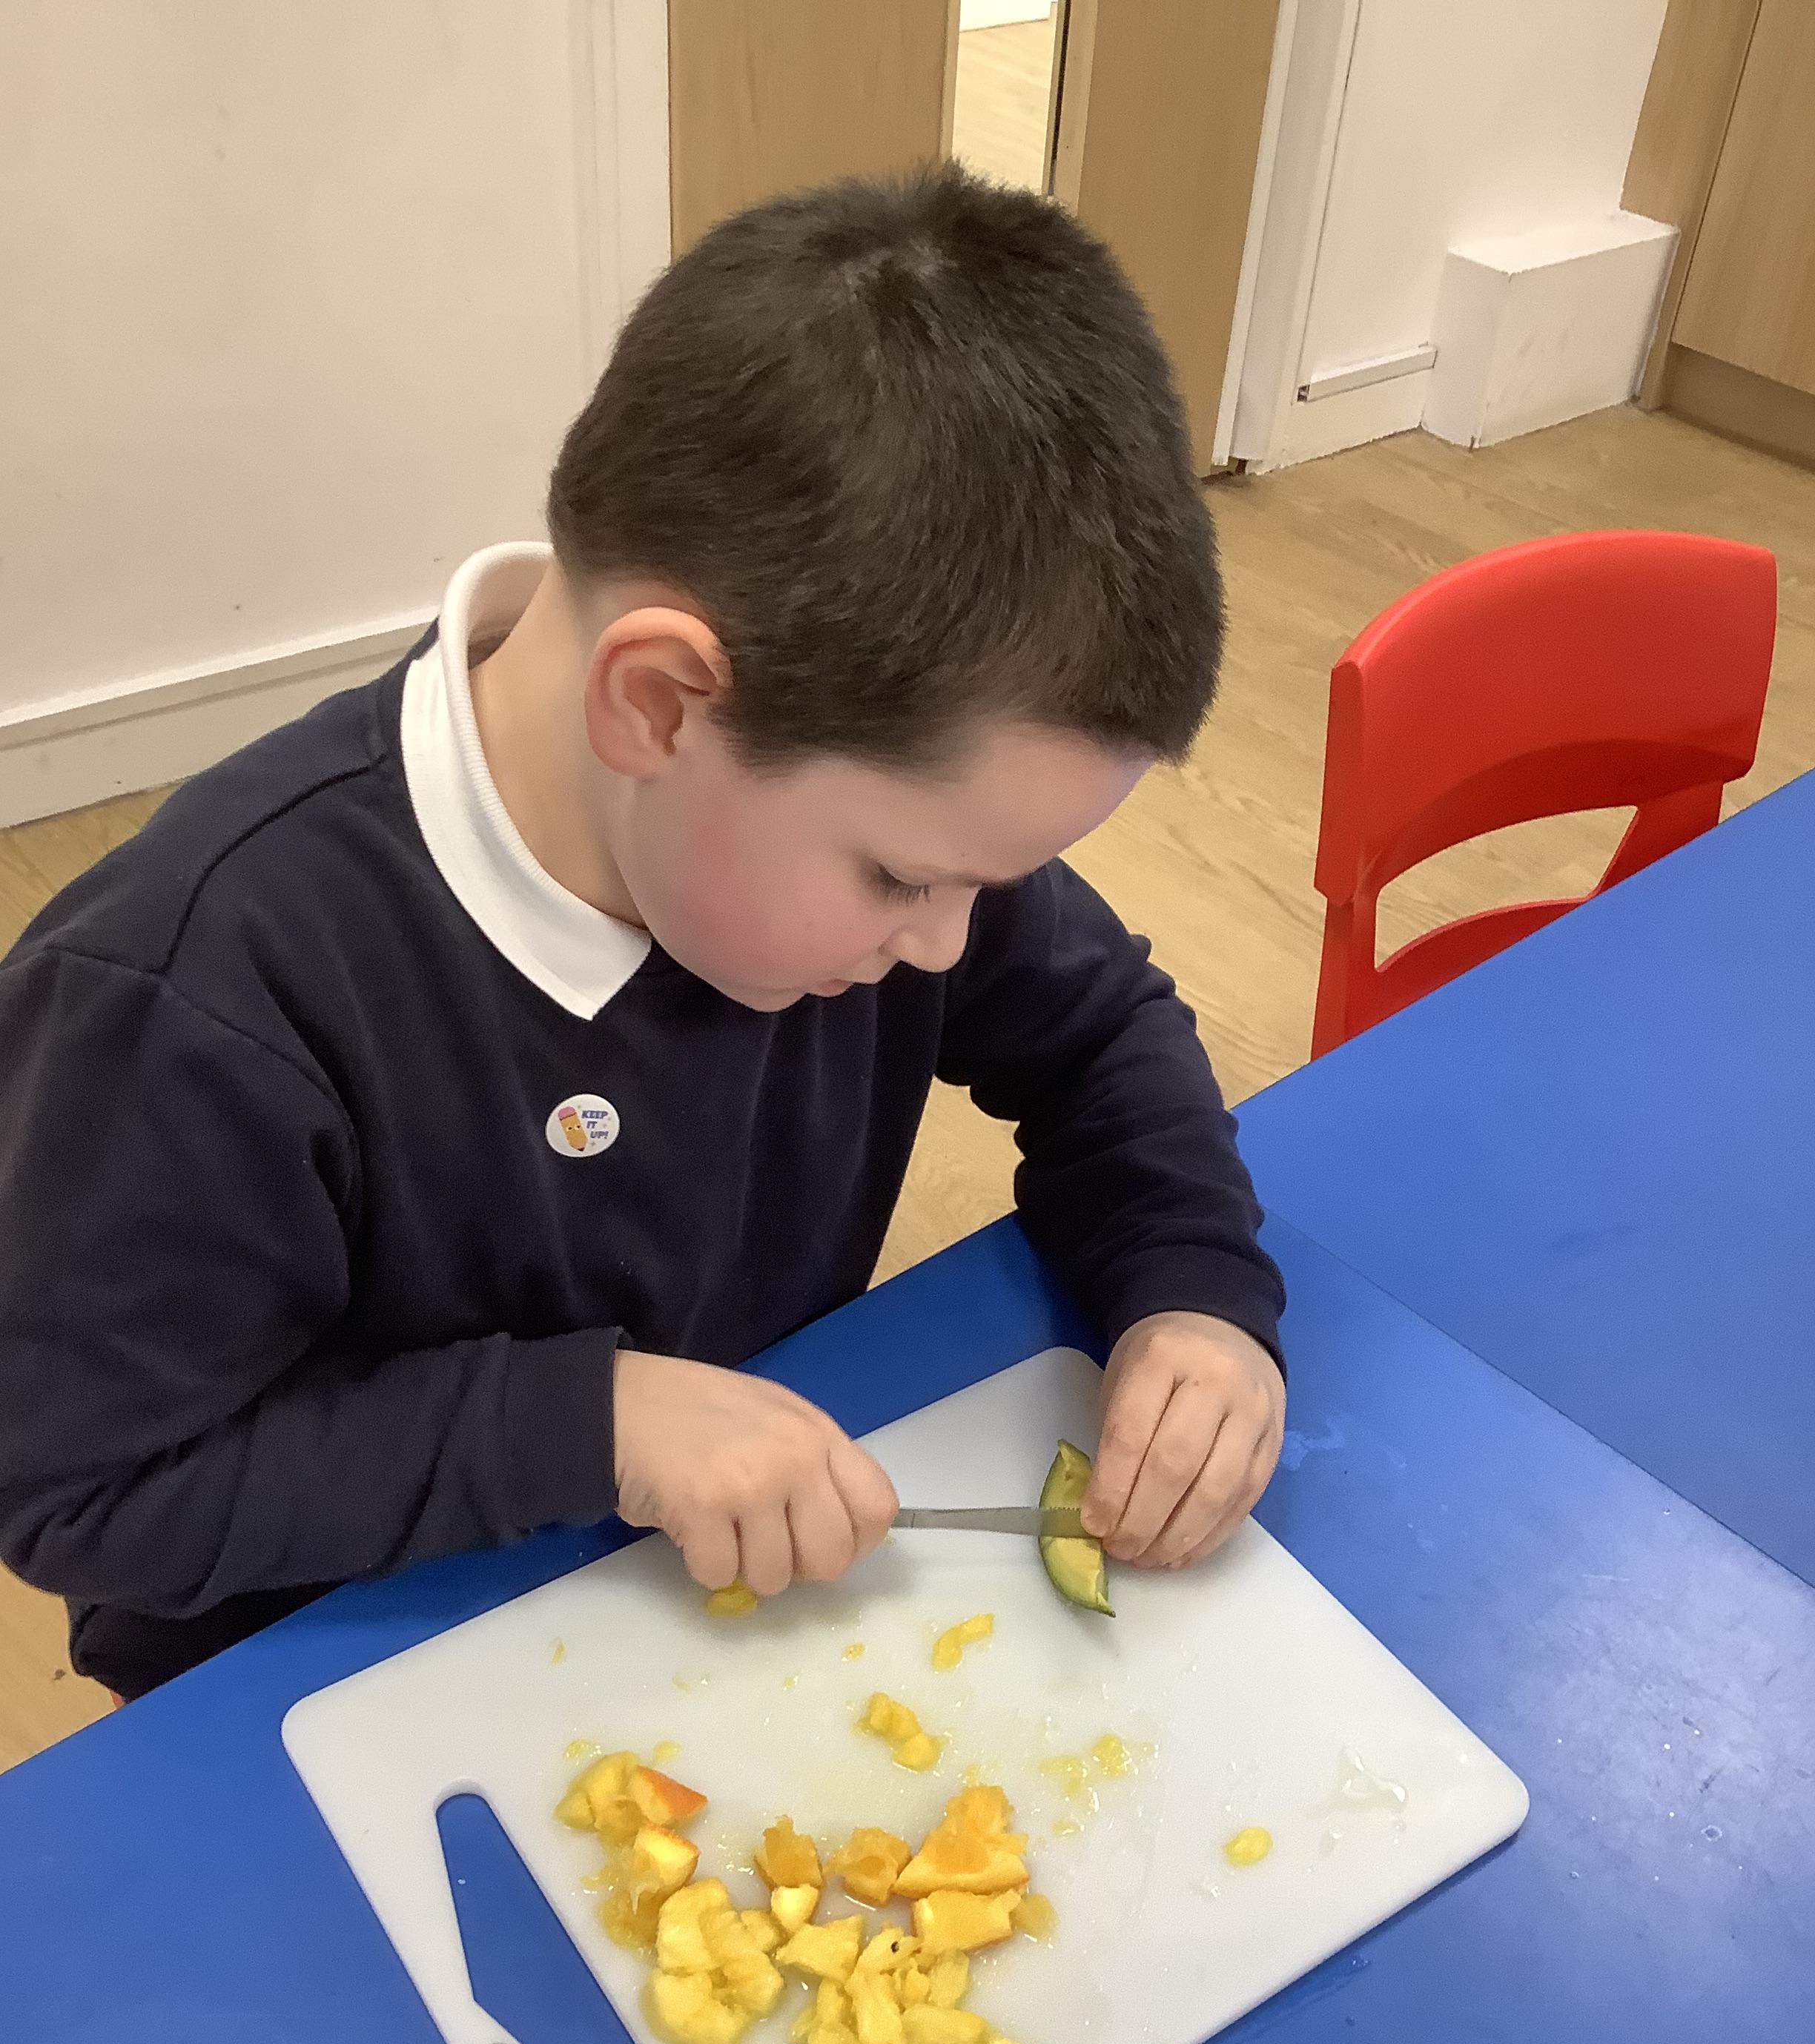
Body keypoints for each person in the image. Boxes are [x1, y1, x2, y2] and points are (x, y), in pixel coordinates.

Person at [0, 165, 1285, 1702]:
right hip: (326, 1687)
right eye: (902, 879)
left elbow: (1102, 1033)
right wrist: (592, 1426)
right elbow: (86, 1488)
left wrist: (1193, 1285)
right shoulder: (188, 994)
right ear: (661, 704)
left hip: (702, 1616)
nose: (952, 947)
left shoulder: (852, 834)